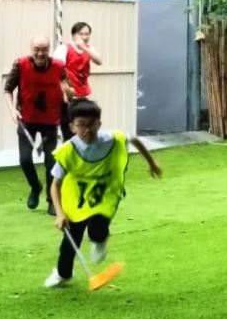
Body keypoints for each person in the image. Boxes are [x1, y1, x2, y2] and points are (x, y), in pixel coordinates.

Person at [44, 99, 162, 288]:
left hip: (105, 194)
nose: (87, 130)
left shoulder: (111, 139)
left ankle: (99, 240)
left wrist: (152, 162)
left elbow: (133, 139)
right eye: (81, 125)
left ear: (99, 124)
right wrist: (59, 213)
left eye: (91, 124)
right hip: (77, 199)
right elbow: (54, 185)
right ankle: (62, 274)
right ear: (72, 127)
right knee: (70, 240)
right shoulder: (67, 151)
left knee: (98, 227)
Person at [4, 35, 70, 215]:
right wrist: (12, 110)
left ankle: (52, 200)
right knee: (25, 160)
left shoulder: (59, 66)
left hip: (50, 120)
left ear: (49, 49)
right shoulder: (20, 64)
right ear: (30, 48)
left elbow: (66, 85)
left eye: (44, 49)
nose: (40, 53)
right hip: (26, 120)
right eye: (37, 49)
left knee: (51, 162)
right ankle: (35, 186)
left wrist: (67, 93)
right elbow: (7, 90)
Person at [53, 22, 103, 143]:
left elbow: (99, 61)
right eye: (81, 34)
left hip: (82, 94)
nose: (85, 37)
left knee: (82, 126)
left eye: (87, 34)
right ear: (74, 35)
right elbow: (56, 71)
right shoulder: (64, 48)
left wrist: (85, 48)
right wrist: (64, 91)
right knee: (68, 128)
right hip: (67, 95)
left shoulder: (89, 48)